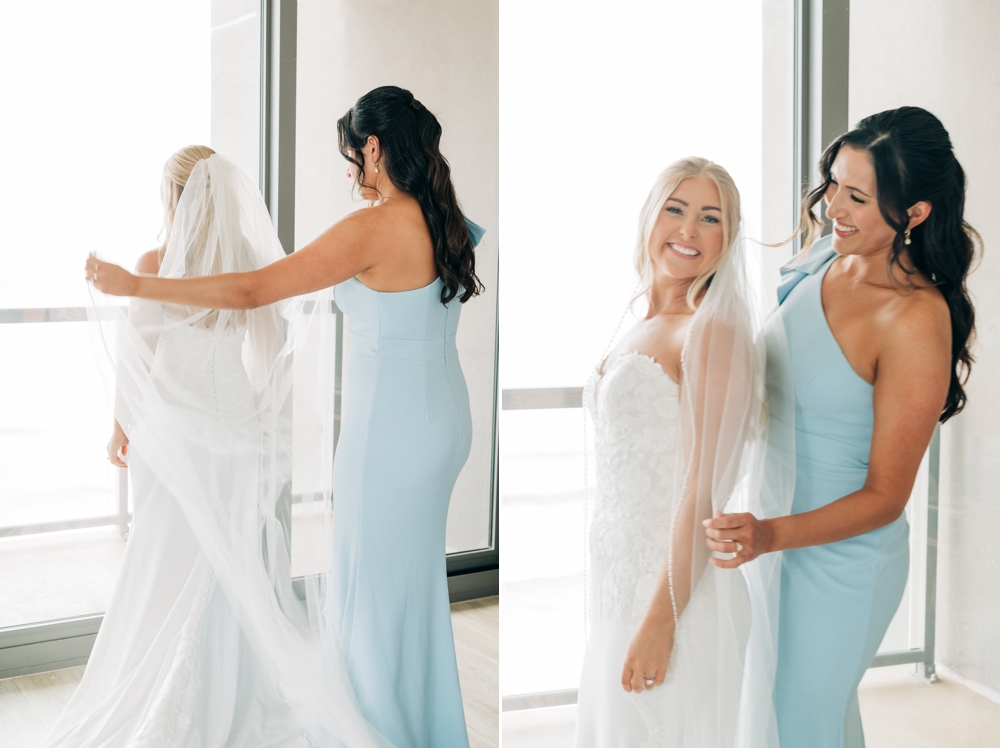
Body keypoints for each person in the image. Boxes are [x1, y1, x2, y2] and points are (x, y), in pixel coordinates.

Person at [84, 86, 485, 748]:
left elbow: (252, 291)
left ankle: (379, 730)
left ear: (375, 148)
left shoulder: (374, 226)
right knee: (410, 591)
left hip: (388, 438)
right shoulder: (447, 221)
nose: (351, 171)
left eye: (351, 156)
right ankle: (422, 726)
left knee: (374, 593)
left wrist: (136, 285)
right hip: (443, 425)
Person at [704, 106, 979, 747]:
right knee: (784, 723)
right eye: (834, 184)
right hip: (768, 534)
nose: (834, 208)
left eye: (857, 197)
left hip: (839, 563)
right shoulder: (825, 255)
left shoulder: (914, 319)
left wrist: (770, 534)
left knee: (800, 727)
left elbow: (887, 496)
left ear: (915, 214)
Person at [576, 157, 776, 747]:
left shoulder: (711, 331)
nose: (688, 230)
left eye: (709, 218)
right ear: (651, 218)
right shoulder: (640, 321)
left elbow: (702, 490)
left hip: (673, 589)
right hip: (620, 573)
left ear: (728, 239)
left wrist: (662, 621)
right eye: (676, 209)